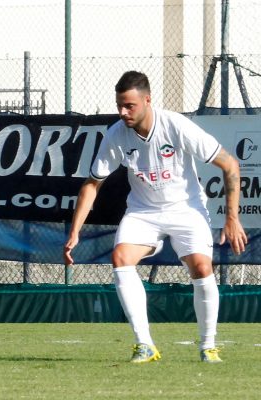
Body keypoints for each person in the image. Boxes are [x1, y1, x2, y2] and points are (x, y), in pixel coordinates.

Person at [63, 71, 247, 364]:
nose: (123, 112)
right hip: (143, 212)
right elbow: (92, 183)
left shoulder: (175, 125)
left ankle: (208, 346)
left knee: (201, 267)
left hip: (186, 209)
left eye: (130, 106)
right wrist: (75, 232)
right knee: (121, 258)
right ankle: (145, 345)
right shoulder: (116, 134)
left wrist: (232, 218)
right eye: (120, 106)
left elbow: (229, 164)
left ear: (147, 100)